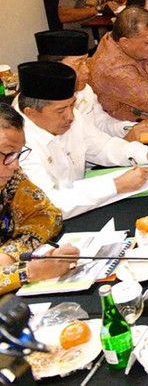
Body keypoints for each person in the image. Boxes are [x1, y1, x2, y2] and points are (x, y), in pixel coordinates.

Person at [15, 61, 148, 219]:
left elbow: (103, 146)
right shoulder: (15, 145)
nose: (70, 116)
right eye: (61, 110)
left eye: (72, 105)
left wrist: (146, 154)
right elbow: (50, 204)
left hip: (87, 205)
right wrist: (116, 185)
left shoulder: (70, 116)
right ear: (31, 113)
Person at [0, 104, 79, 293]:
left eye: (18, 154)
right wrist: (29, 271)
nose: (15, 164)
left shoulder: (10, 176)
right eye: (7, 153)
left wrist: (9, 255)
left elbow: (47, 214)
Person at [34, 29, 148, 141]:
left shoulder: (85, 89)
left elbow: (101, 123)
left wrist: (132, 128)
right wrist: (126, 140)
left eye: (86, 61)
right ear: (54, 67)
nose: (87, 70)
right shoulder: (36, 104)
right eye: (79, 64)